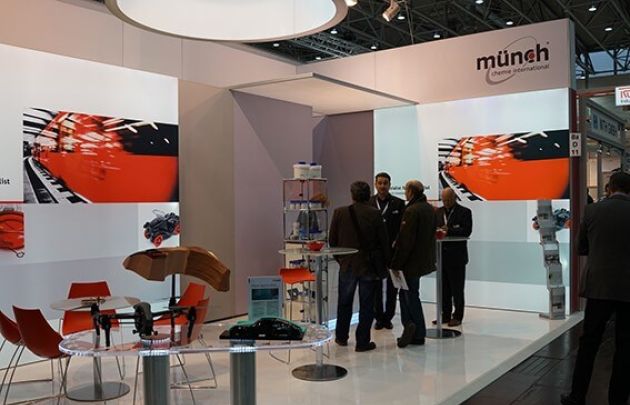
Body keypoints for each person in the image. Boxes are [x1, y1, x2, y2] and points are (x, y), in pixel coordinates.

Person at [561, 172, 630, 405]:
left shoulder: (592, 211)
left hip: (599, 286)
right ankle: (618, 399)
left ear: (609, 188)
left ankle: (577, 396)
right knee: (625, 346)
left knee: (589, 342)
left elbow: (581, 247)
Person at [329, 181, 390, 352]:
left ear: (352, 194)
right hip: (368, 265)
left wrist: (342, 259)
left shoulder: (339, 212)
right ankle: (362, 342)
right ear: (368, 194)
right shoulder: (375, 214)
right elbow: (383, 241)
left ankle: (341, 337)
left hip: (347, 265)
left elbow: (332, 241)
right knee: (367, 305)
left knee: (344, 302)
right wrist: (386, 262)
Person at [390, 180, 436, 348]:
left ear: (410, 191)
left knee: (408, 296)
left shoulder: (411, 211)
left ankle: (412, 328)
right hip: (423, 261)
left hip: (410, 263)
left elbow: (406, 241)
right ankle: (416, 332)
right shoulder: (429, 209)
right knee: (411, 294)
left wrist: (396, 263)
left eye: (406, 190)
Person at [369, 172, 406, 330]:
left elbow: (403, 227)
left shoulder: (399, 203)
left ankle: (388, 317)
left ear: (390, 185)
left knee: (393, 286)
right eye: (380, 183)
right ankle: (378, 317)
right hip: (375, 251)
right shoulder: (369, 202)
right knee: (376, 286)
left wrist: (398, 242)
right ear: (375, 184)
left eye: (385, 183)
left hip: (393, 251)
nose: (383, 186)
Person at [434, 187, 472, 327]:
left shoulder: (464, 212)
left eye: (449, 200)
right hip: (441, 255)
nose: (446, 202)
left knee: (457, 289)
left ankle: (457, 316)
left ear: (455, 197)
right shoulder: (438, 212)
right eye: (444, 200)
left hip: (457, 257)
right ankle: (445, 315)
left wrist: (449, 230)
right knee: (443, 289)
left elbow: (466, 231)